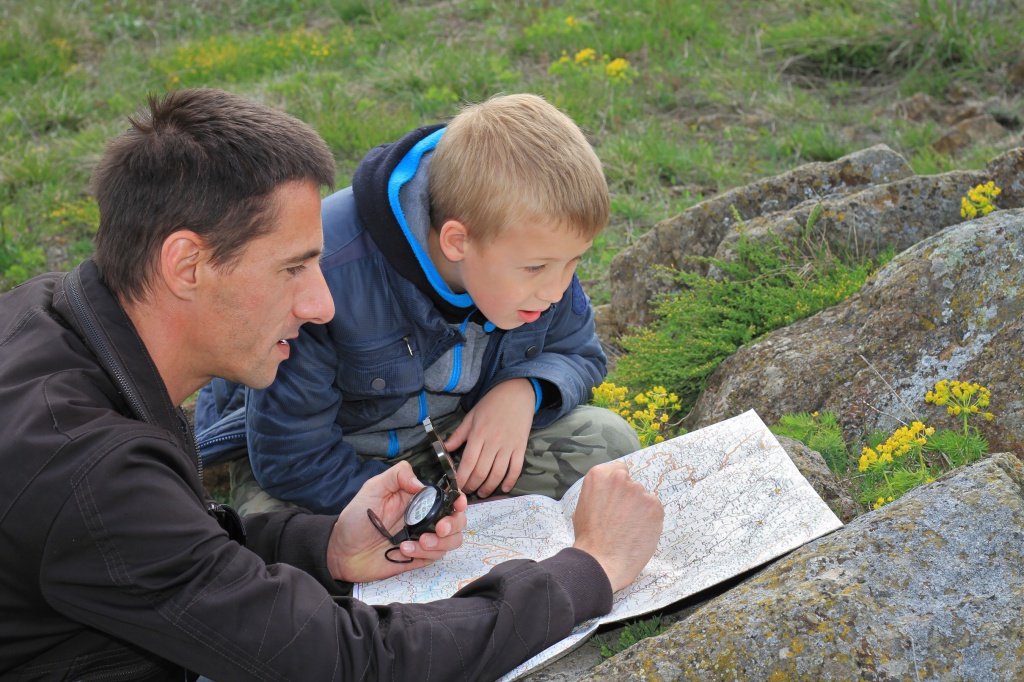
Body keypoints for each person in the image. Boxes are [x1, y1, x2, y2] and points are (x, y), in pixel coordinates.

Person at [0, 88, 664, 682]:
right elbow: (343, 662)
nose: (322, 304)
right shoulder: (88, 470)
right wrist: (587, 573)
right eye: (294, 269)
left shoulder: (55, 319)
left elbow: (167, 546)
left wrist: (326, 547)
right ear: (188, 265)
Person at [194, 93, 642, 516]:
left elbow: (578, 352)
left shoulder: (535, 253)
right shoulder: (326, 276)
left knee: (608, 442)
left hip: (450, 445)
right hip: (331, 467)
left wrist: (524, 391)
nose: (555, 290)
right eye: (537, 269)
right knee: (278, 540)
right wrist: (415, 509)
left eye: (572, 264)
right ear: (457, 242)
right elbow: (289, 459)